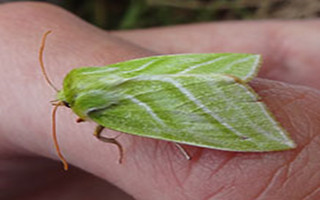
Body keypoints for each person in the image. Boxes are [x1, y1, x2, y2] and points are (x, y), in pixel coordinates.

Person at [1, 2, 320, 200]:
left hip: (200, 107)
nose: (62, 102)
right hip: (200, 69)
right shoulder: (89, 77)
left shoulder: (104, 117)